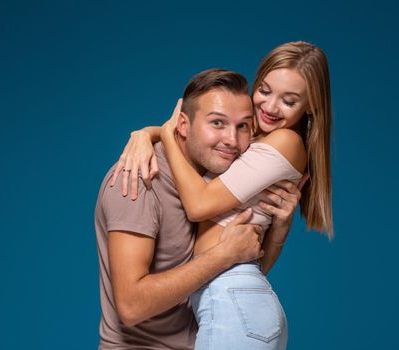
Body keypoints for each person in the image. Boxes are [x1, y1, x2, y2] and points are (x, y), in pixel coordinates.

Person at [113, 41, 333, 349]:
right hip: (234, 299)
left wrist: (164, 132)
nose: (270, 107)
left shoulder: (285, 141)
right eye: (265, 90)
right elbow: (248, 259)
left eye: (289, 100)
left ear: (311, 106)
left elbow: (200, 205)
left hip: (233, 302)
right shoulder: (248, 137)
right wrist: (144, 134)